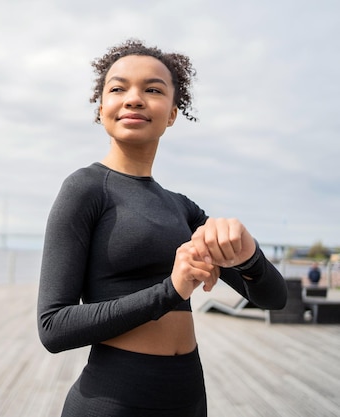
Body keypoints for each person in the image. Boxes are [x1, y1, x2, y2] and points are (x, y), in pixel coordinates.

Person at [37, 39, 288, 417]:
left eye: (152, 89)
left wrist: (250, 255)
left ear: (172, 113)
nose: (134, 99)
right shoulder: (85, 188)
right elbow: (53, 327)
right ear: (101, 108)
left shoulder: (181, 207)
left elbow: (273, 299)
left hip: (188, 398)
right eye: (118, 88)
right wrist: (170, 291)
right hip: (112, 400)